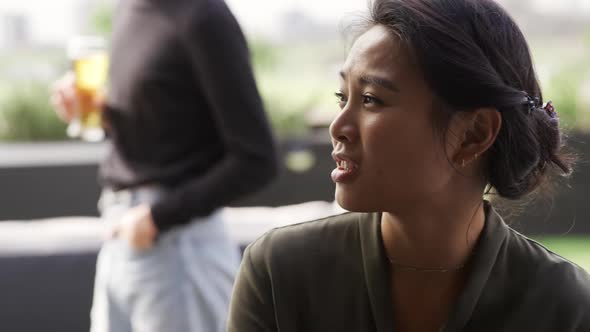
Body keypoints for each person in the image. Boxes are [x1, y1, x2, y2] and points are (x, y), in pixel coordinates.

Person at [227, 0, 590, 331]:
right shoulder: (281, 272)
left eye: (371, 100)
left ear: (473, 134)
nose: (339, 127)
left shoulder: (563, 304)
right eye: (343, 97)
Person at [51, 0, 278, 331]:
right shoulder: (128, 9)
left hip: (177, 246)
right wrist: (103, 116)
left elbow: (257, 158)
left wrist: (159, 218)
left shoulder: (204, 16)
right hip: (118, 234)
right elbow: (162, 129)